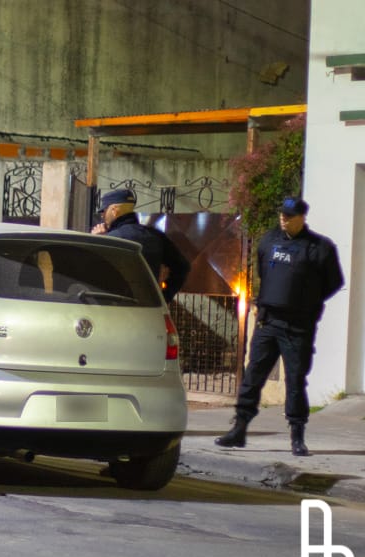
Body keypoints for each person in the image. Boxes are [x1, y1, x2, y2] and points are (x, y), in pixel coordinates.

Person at [216, 196, 344, 456]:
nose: (284, 219)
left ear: (302, 217)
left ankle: (297, 436)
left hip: (298, 326)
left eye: (289, 215)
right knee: (253, 377)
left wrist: (307, 302)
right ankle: (239, 429)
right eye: (282, 214)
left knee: (295, 381)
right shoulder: (269, 241)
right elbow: (262, 272)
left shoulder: (319, 247)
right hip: (268, 321)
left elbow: (334, 282)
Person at [91, 188, 191, 303]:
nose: (102, 216)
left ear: (114, 211)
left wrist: (96, 241)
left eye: (104, 211)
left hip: (115, 306)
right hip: (149, 307)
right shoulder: (155, 236)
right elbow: (182, 266)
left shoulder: (111, 239)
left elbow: (92, 274)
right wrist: (164, 298)